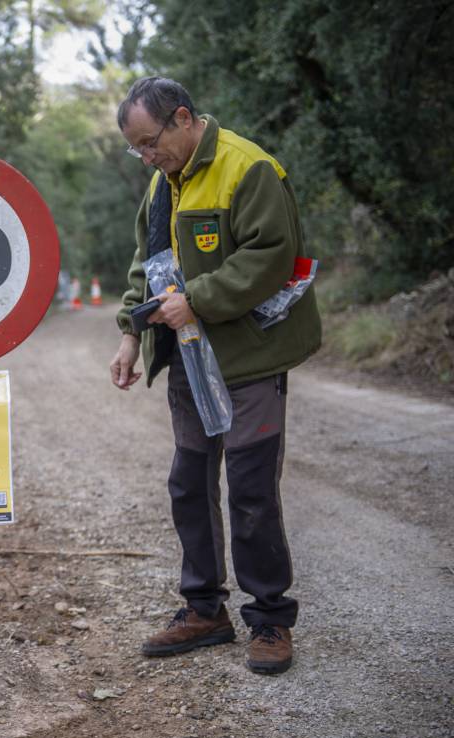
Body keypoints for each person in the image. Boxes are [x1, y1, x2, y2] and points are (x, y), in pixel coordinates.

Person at [108, 77, 322, 675]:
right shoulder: (161, 182)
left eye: (151, 143)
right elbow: (144, 265)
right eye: (138, 149)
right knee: (188, 483)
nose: (147, 157)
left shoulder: (249, 168)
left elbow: (269, 257)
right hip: (188, 356)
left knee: (251, 490)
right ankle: (204, 610)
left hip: (250, 359)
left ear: (182, 119)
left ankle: (271, 617)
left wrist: (195, 299)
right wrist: (131, 332)